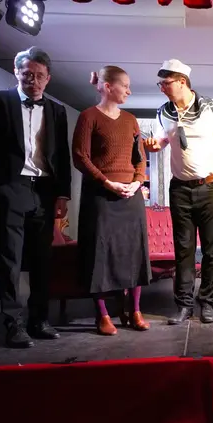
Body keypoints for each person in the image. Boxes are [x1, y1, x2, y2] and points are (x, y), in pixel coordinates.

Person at [0, 46, 71, 348]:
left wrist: (63, 195)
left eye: (39, 76)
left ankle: (40, 320)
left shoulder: (57, 110)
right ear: (16, 72)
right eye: (27, 74)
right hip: (9, 188)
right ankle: (14, 324)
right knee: (9, 259)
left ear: (48, 78)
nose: (33, 81)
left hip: (45, 191)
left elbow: (61, 156)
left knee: (41, 259)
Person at [144, 59, 213, 324]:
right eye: (160, 84)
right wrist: (154, 145)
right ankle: (184, 305)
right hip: (180, 188)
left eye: (166, 83)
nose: (162, 88)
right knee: (183, 249)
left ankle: (208, 302)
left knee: (212, 249)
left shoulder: (211, 107)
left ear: (182, 82)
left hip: (211, 186)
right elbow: (160, 141)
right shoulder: (164, 112)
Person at [72, 66, 152, 335]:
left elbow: (140, 157)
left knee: (134, 250)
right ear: (108, 86)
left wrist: (137, 182)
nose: (129, 91)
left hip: (131, 195)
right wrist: (107, 182)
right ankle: (103, 314)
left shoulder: (130, 120)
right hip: (101, 195)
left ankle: (135, 310)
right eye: (125, 86)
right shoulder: (88, 117)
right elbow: (80, 156)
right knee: (100, 252)